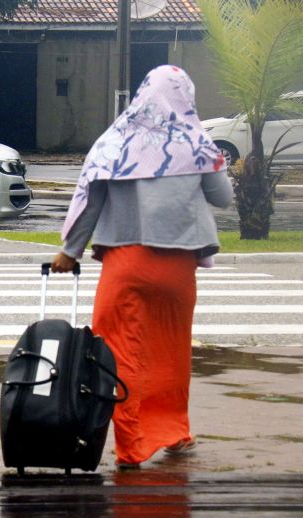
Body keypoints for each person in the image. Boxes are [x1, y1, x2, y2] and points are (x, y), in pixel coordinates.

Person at [51, 65, 234, 469]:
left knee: (119, 352)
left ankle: (131, 446)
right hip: (177, 266)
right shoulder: (197, 141)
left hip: (125, 261)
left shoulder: (114, 141)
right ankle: (176, 433)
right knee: (171, 350)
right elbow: (222, 198)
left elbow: (91, 201)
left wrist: (70, 251)